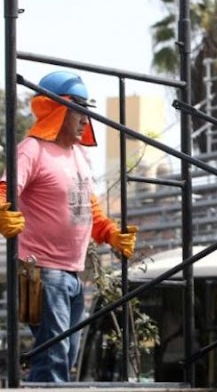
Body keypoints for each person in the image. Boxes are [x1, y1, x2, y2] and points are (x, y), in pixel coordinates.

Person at [0, 70, 138, 382]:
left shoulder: (78, 156)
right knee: (54, 358)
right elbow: (3, 191)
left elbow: (88, 208)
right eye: (80, 111)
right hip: (43, 271)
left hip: (74, 274)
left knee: (64, 356)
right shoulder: (32, 150)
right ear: (60, 108)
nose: (85, 120)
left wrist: (111, 234)